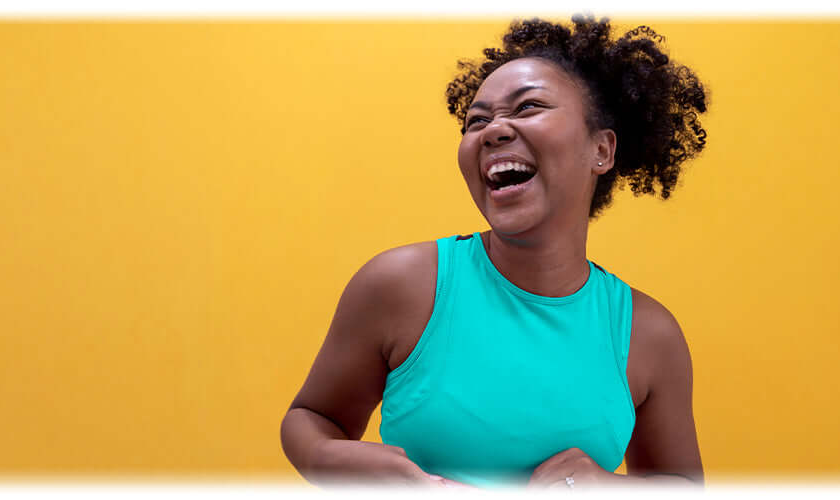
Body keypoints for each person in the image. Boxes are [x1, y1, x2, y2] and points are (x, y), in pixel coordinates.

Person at [280, 14, 708, 489]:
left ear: (601, 151)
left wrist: (603, 488)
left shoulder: (649, 335)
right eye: (476, 121)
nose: (492, 130)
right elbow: (311, 417)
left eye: (528, 108)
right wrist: (340, 463)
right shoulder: (400, 286)